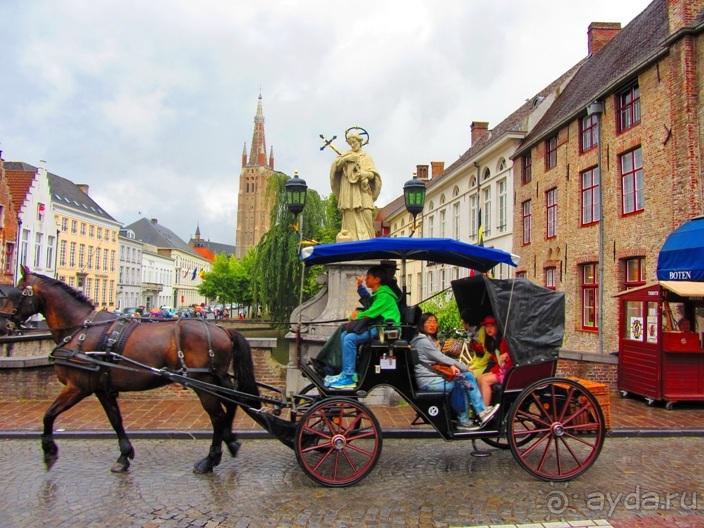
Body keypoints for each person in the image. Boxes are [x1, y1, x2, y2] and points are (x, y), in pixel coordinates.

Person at [412, 313, 500, 431]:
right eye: (428, 322)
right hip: (429, 381)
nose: (432, 325)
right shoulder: (423, 341)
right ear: (422, 325)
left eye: (434, 322)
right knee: (465, 378)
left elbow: (437, 360)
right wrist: (464, 367)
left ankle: (471, 415)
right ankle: (472, 416)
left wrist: (453, 367)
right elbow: (442, 358)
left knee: (464, 378)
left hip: (433, 377)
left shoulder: (426, 339)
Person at [324, 266, 400, 390]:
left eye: (368, 277)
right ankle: (347, 372)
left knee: (350, 338)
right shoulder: (380, 294)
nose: (366, 279)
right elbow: (369, 303)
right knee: (344, 335)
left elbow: (371, 312)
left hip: (386, 331)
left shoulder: (384, 296)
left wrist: (355, 316)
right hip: (380, 328)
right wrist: (360, 287)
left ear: (377, 280)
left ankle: (349, 377)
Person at [329, 132, 382, 242]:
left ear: (360, 141)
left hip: (363, 190)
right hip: (349, 192)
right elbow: (336, 168)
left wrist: (365, 174)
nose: (352, 145)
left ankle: (368, 242)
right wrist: (345, 159)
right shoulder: (346, 155)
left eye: (354, 142)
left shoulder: (367, 157)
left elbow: (373, 173)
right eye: (350, 143)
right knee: (350, 218)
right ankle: (351, 242)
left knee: (367, 214)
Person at [475, 315, 514, 407]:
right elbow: (498, 364)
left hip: (508, 371)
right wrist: (491, 372)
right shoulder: (493, 342)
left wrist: (507, 355)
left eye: (492, 326)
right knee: (480, 377)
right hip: (501, 370)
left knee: (484, 380)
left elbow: (512, 355)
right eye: (487, 326)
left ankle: (485, 409)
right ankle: (481, 407)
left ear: (497, 326)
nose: (489, 329)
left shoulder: (504, 340)